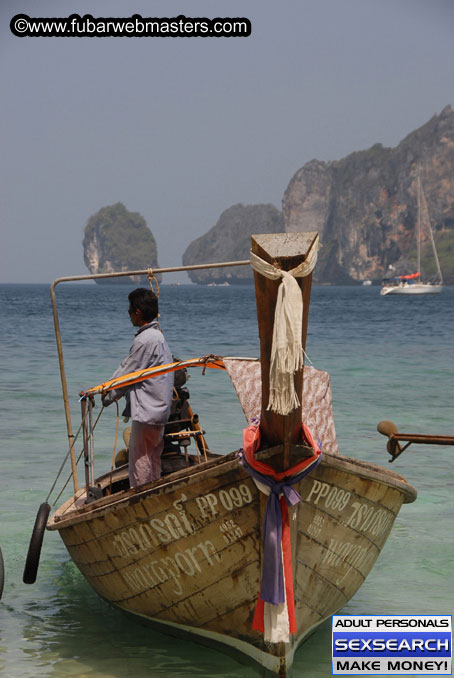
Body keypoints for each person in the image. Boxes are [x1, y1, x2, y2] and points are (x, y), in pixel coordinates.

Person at [102, 288, 174, 488]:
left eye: (130, 310)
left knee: (140, 460)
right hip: (159, 410)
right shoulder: (158, 336)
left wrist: (106, 394)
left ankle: (141, 496)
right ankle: (155, 493)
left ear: (138, 312)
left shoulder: (145, 340)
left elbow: (127, 372)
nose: (128, 314)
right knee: (153, 458)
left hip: (147, 411)